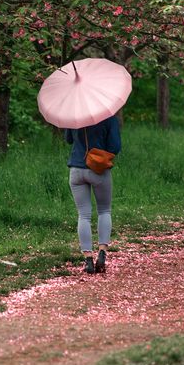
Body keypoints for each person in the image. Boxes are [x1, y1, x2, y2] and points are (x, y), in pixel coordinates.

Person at [64, 115, 121, 274]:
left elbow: (68, 139)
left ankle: (88, 259)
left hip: (76, 169)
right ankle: (102, 252)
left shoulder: (74, 113)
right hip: (98, 169)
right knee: (104, 210)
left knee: (84, 215)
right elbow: (115, 146)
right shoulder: (108, 117)